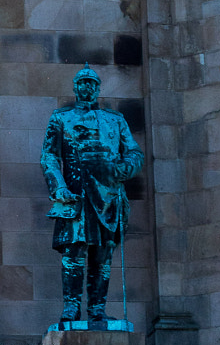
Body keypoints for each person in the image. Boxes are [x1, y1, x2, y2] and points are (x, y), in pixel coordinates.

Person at [39, 65, 143, 326]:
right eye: (83, 83)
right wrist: (59, 187)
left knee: (102, 255)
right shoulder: (61, 118)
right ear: (76, 87)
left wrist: (122, 169)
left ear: (98, 88)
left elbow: (134, 153)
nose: (88, 87)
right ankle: (71, 308)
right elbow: (49, 156)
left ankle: (97, 309)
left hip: (109, 195)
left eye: (92, 83)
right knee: (73, 252)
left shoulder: (115, 119)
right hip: (77, 193)